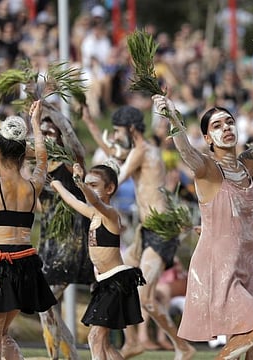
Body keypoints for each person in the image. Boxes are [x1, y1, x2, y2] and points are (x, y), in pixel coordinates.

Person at [152, 64, 253, 359]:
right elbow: (186, 153)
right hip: (217, 268)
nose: (226, 128)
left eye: (229, 122)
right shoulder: (208, 169)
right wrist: (172, 118)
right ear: (207, 137)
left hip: (248, 266)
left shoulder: (247, 164)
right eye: (217, 126)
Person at [82, 104, 196, 359]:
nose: (115, 135)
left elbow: (114, 177)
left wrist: (86, 181)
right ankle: (133, 342)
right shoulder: (142, 149)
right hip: (147, 230)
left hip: (160, 231)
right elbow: (117, 153)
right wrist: (90, 124)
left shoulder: (143, 151)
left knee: (146, 299)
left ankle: (183, 346)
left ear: (131, 129)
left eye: (118, 130)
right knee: (121, 279)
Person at [0, 100, 57, 359]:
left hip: (1, 266)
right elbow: (43, 157)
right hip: (27, 266)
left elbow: (39, 156)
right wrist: (35, 123)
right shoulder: (34, 186)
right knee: (2, 334)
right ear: (24, 156)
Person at [51, 161, 145, 359]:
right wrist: (57, 184)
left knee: (95, 337)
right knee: (105, 344)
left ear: (110, 189)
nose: (89, 189)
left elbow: (93, 200)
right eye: (88, 184)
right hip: (104, 283)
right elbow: (73, 201)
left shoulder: (110, 214)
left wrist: (80, 182)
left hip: (116, 282)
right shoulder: (94, 214)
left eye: (94, 185)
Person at [36, 116, 94, 360]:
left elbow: (78, 152)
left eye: (51, 132)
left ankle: (57, 358)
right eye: (43, 133)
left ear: (59, 136)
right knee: (47, 304)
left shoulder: (69, 163)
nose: (47, 137)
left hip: (70, 241)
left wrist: (53, 112)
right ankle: (70, 358)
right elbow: (40, 208)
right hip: (48, 241)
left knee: (44, 300)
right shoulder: (37, 169)